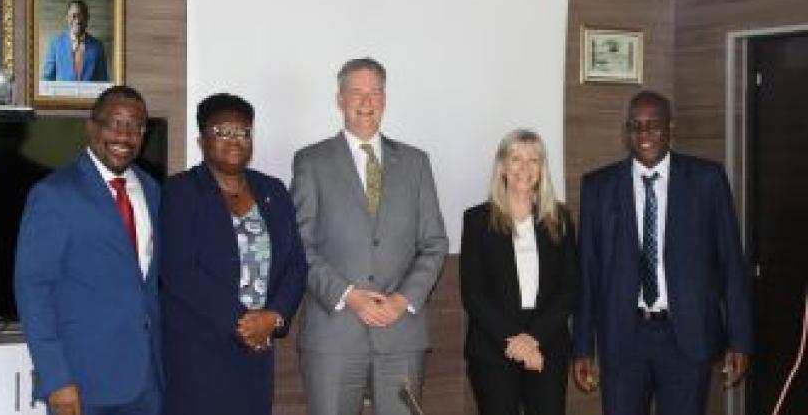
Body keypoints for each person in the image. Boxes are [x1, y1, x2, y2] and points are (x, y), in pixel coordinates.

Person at [572, 90, 753, 415]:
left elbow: (731, 265)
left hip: (686, 336)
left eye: (653, 125)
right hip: (623, 339)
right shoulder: (598, 187)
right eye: (635, 126)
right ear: (626, 131)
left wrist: (739, 340)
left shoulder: (707, 181)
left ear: (671, 127)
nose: (644, 135)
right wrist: (583, 346)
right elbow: (587, 272)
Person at [291, 57, 448, 415]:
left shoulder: (416, 163)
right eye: (356, 93)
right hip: (333, 336)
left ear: (385, 100)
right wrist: (349, 296)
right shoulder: (311, 162)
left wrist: (401, 299)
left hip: (401, 335)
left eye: (375, 92)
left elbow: (434, 243)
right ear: (339, 100)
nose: (366, 102)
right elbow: (300, 244)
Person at [14, 85, 162, 415]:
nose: (125, 135)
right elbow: (33, 289)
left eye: (136, 126)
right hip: (82, 385)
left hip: (147, 380)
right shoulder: (54, 194)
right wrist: (56, 379)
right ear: (91, 127)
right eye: (115, 123)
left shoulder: (150, 190)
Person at [160, 93, 308, 415]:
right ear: (202, 140)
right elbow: (179, 273)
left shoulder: (273, 190)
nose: (235, 140)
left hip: (259, 348)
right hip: (200, 351)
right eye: (222, 131)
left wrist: (274, 316)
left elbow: (296, 263)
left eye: (243, 132)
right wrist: (242, 324)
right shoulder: (180, 192)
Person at [460, 129, 577, 415]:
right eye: (516, 159)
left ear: (542, 167)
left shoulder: (559, 219)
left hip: (547, 342)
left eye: (533, 160)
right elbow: (473, 294)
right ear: (502, 166)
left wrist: (533, 339)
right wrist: (517, 342)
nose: (524, 168)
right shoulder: (477, 220)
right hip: (493, 345)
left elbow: (570, 288)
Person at [42, 0, 108, 82]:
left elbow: (103, 80)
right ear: (67, 18)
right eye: (74, 16)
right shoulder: (55, 44)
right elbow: (47, 79)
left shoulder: (98, 46)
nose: (78, 21)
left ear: (87, 19)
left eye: (81, 16)